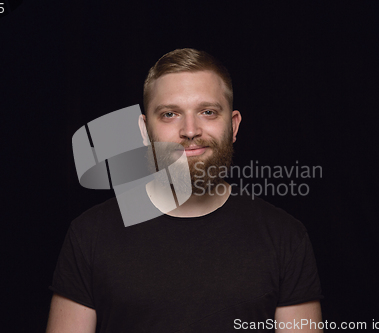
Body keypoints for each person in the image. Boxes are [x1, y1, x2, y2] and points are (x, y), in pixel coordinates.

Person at [46, 48, 323, 332]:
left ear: (233, 125)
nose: (190, 131)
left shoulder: (285, 237)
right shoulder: (89, 235)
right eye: (169, 114)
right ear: (144, 131)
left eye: (207, 112)